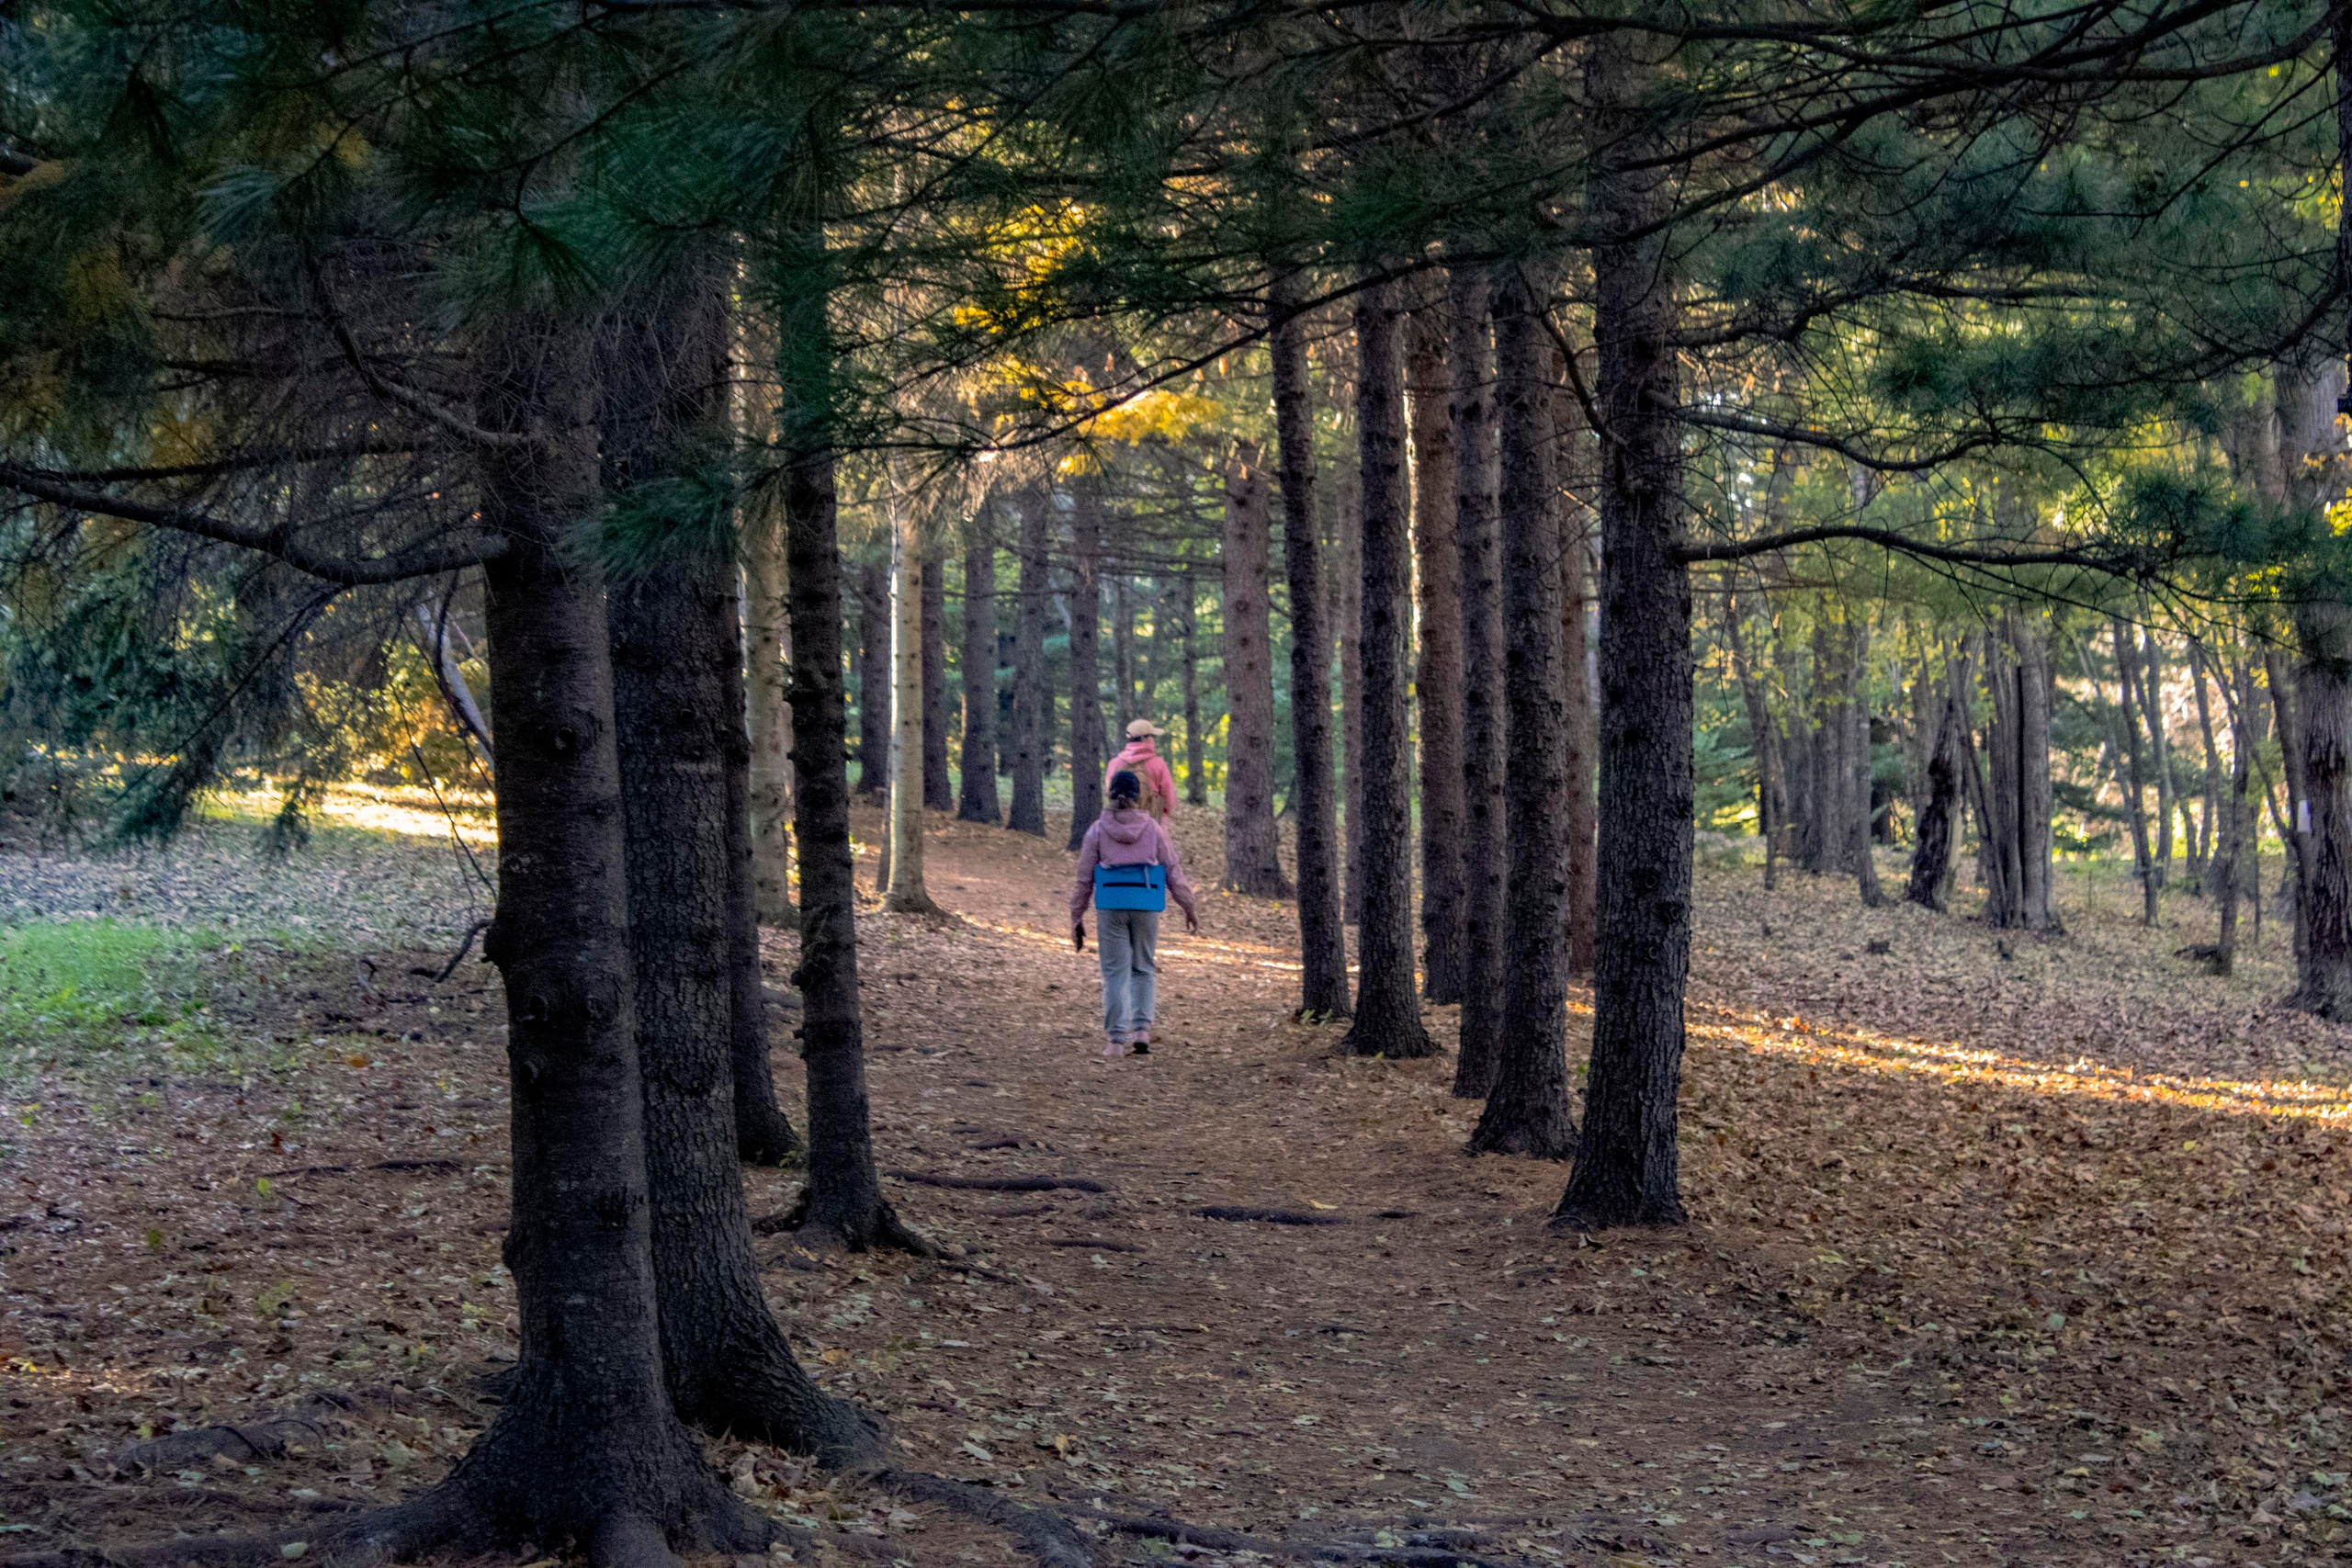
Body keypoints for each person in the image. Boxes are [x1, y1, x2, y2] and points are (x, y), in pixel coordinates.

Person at [1071, 769, 1199, 1058]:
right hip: (1145, 904)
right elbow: (1173, 870)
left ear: (1111, 795)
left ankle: (1116, 1041)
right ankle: (1141, 1030)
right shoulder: (1154, 829)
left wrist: (1076, 916)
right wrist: (1188, 905)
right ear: (1138, 797)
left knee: (1115, 973)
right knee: (1143, 967)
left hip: (1111, 905)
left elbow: (1084, 878)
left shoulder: (1097, 830)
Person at [1104, 718, 1180, 823]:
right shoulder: (1158, 764)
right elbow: (1169, 798)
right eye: (1152, 736)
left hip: (1119, 822)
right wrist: (1165, 815)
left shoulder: (1114, 763)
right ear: (1145, 739)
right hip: (1151, 823)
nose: (1154, 740)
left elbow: (1110, 792)